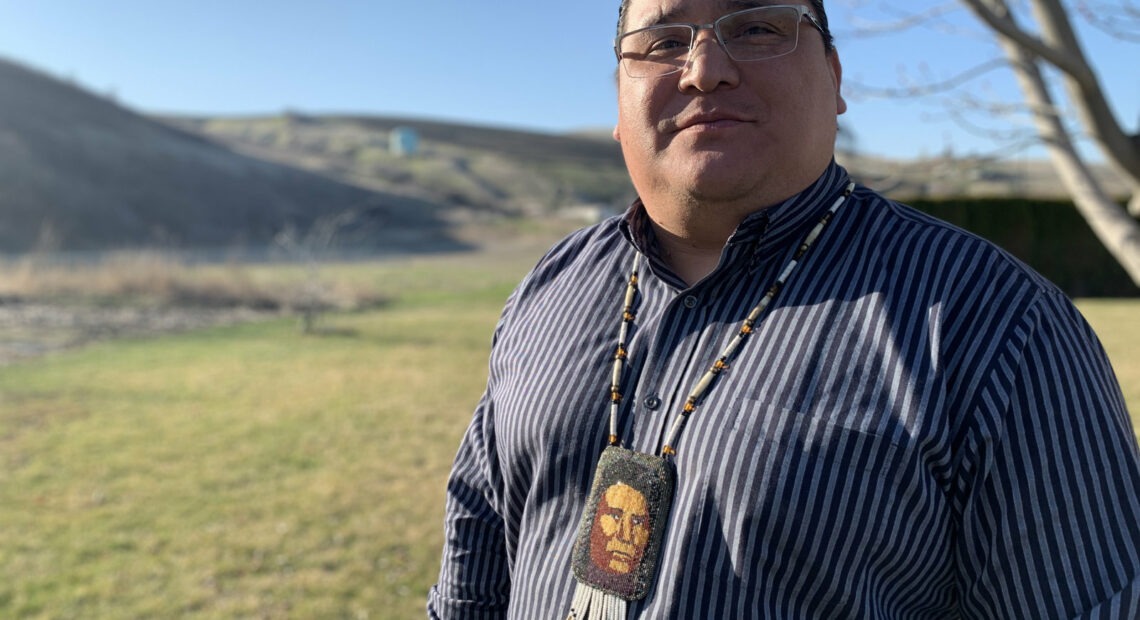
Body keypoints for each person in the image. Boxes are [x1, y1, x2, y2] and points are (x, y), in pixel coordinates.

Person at [428, 0, 1140, 617]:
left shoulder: (995, 326)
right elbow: (474, 568)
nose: (704, 70)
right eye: (663, 42)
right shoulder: (551, 287)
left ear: (834, 78)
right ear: (618, 99)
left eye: (760, 28)